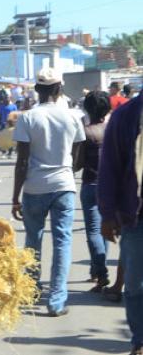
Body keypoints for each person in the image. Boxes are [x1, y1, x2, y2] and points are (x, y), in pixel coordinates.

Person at [10, 68, 85, 317]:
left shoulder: (27, 118)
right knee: (62, 242)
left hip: (34, 187)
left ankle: (31, 291)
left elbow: (22, 161)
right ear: (58, 89)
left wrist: (15, 197)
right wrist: (67, 172)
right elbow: (76, 154)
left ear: (37, 90)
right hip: (63, 186)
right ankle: (56, 302)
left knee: (33, 241)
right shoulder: (72, 117)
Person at [99, 82, 143, 355]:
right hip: (135, 216)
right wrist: (106, 213)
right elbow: (110, 167)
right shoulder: (126, 116)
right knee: (136, 285)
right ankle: (140, 339)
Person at [72, 90, 112, 293]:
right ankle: (96, 271)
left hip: (91, 185)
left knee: (94, 232)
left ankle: (102, 273)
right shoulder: (112, 129)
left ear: (87, 108)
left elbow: (77, 164)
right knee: (105, 229)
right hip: (111, 186)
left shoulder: (86, 132)